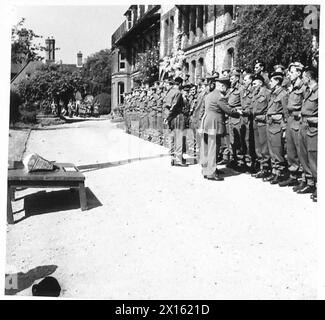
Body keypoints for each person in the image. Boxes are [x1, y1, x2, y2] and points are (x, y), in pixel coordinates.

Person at [199, 76, 241, 181]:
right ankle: (211, 173)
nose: (226, 90)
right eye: (226, 87)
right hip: (214, 124)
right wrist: (237, 112)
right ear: (222, 86)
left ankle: (206, 170)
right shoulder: (219, 97)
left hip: (206, 123)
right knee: (214, 148)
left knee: (207, 147)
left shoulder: (209, 95)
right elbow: (228, 110)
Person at [278, 62, 306, 188]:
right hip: (289, 120)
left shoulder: (304, 87)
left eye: (292, 72)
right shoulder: (291, 87)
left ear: (299, 73)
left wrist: (300, 115)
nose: (289, 74)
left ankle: (305, 178)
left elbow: (308, 106)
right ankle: (293, 176)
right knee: (291, 150)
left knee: (301, 151)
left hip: (298, 121)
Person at [297, 67, 318, 200]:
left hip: (313, 127)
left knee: (314, 157)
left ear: (309, 78)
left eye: (303, 77)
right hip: (303, 125)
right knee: (304, 155)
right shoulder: (307, 91)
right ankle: (310, 183)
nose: (302, 79)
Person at [264, 72, 288, 184]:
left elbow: (286, 113)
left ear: (278, 81)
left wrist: (284, 129)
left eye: (272, 80)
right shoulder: (273, 94)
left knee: (278, 150)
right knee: (272, 150)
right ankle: (274, 171)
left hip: (278, 126)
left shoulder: (283, 94)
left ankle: (280, 173)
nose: (270, 82)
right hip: (270, 125)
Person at [251, 74, 272, 179]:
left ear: (260, 83)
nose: (253, 85)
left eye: (255, 83)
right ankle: (261, 167)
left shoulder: (267, 93)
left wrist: (265, 118)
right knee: (258, 147)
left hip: (263, 122)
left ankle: (266, 168)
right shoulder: (255, 93)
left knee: (264, 146)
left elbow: (271, 108)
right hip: (256, 122)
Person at [164, 77, 188, 166]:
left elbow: (166, 105)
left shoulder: (169, 92)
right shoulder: (178, 92)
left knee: (173, 137)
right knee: (179, 138)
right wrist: (169, 116)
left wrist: (167, 117)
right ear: (181, 84)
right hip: (177, 116)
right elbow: (173, 106)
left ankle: (173, 158)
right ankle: (178, 159)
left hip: (171, 117)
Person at [227, 69, 244, 170]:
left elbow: (244, 104)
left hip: (237, 118)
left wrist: (237, 110)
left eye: (232, 78)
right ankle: (234, 160)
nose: (230, 80)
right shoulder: (231, 90)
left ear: (237, 78)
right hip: (231, 118)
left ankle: (241, 162)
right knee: (232, 141)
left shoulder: (241, 89)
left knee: (239, 141)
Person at [240, 73, 256, 172]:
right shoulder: (243, 91)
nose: (243, 82)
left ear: (250, 80)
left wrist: (245, 111)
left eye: (245, 80)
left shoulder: (254, 92)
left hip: (250, 119)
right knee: (244, 141)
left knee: (250, 141)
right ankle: (246, 162)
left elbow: (253, 106)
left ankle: (252, 163)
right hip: (243, 119)